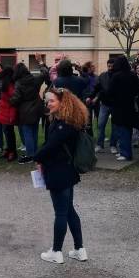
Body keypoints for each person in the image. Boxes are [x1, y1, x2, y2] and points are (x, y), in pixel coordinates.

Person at [34, 87, 90, 264]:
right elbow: (49, 144)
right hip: (66, 171)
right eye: (47, 100)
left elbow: (51, 146)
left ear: (62, 102)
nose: (48, 103)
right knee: (69, 210)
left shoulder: (63, 125)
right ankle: (79, 249)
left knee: (61, 212)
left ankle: (56, 251)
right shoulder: (64, 122)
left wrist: (35, 157)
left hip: (60, 172)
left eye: (51, 100)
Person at [105, 56, 139, 162]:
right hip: (129, 106)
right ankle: (125, 151)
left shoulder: (116, 76)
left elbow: (110, 91)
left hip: (118, 107)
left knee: (122, 131)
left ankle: (125, 153)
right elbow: (137, 90)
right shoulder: (133, 75)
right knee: (127, 130)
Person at [11, 63, 44, 163]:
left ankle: (30, 155)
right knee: (34, 131)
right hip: (37, 108)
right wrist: (41, 63)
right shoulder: (35, 79)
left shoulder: (18, 83)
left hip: (25, 110)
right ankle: (35, 153)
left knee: (27, 133)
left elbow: (16, 98)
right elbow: (45, 73)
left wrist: (10, 101)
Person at [87, 58, 117, 153]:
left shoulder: (117, 76)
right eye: (109, 66)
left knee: (114, 126)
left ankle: (113, 145)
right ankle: (100, 144)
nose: (110, 68)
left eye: (112, 66)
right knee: (100, 124)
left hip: (115, 105)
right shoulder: (103, 76)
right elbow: (97, 88)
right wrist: (90, 97)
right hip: (104, 104)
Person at [0, 66, 19, 162]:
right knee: (7, 132)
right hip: (5, 110)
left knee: (9, 133)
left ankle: (12, 152)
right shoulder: (7, 84)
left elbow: (13, 100)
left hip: (8, 111)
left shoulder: (9, 85)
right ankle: (9, 150)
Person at [81, 61, 98, 135]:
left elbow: (99, 89)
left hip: (96, 100)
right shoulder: (84, 77)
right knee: (88, 119)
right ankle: (90, 136)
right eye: (92, 66)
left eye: (94, 66)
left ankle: (101, 135)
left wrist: (96, 98)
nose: (94, 68)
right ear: (88, 68)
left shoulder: (97, 77)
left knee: (100, 119)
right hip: (87, 101)